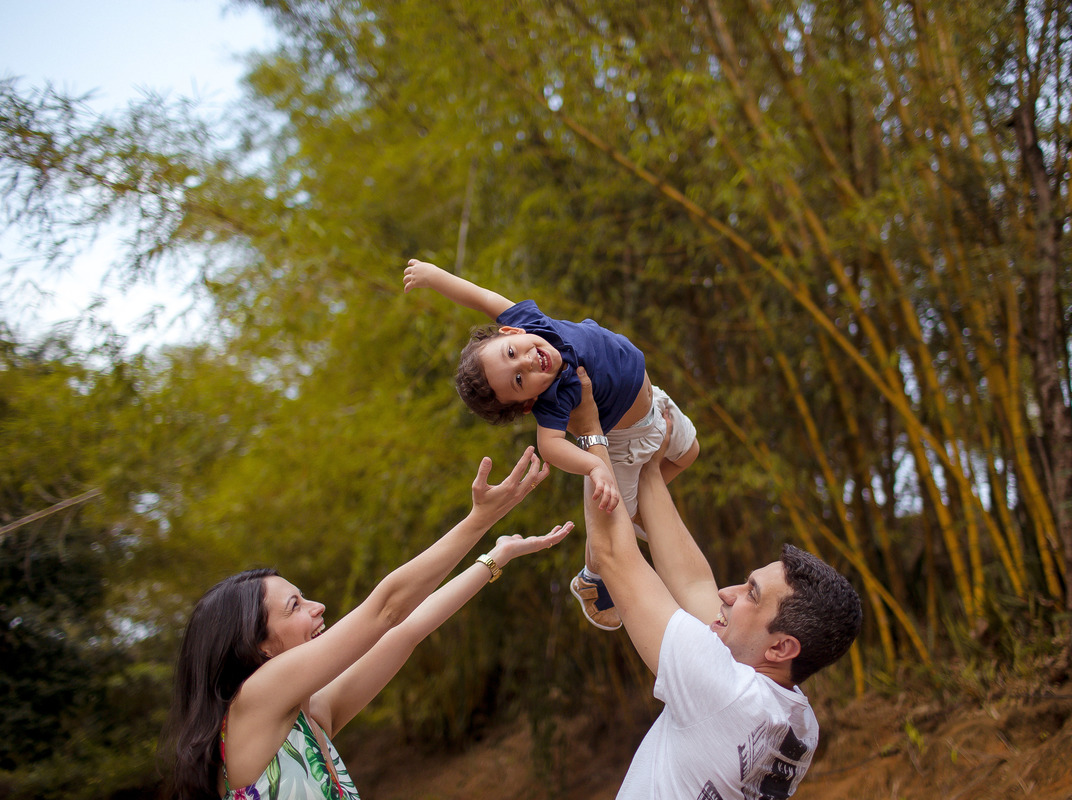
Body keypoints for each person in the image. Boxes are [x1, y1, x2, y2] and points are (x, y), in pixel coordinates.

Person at [162, 448, 571, 800]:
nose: (318, 606)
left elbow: (406, 629)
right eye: (295, 605)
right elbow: (386, 609)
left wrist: (496, 558)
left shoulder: (313, 719)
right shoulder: (251, 706)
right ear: (257, 648)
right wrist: (478, 520)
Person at [567, 367, 862, 799]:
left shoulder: (724, 693)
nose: (728, 593)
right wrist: (649, 465)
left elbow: (613, 554)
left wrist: (590, 430)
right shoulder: (794, 719)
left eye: (750, 594)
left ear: (781, 647)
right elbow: (692, 584)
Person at [403, 258, 699, 632]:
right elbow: (550, 446)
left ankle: (641, 513)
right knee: (613, 523)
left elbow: (482, 296)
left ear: (510, 331)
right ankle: (592, 579)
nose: (527, 361)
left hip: (654, 404)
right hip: (624, 443)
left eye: (513, 353)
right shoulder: (556, 398)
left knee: (690, 453)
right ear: (527, 402)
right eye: (519, 380)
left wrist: (434, 276)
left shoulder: (532, 323)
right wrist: (594, 466)